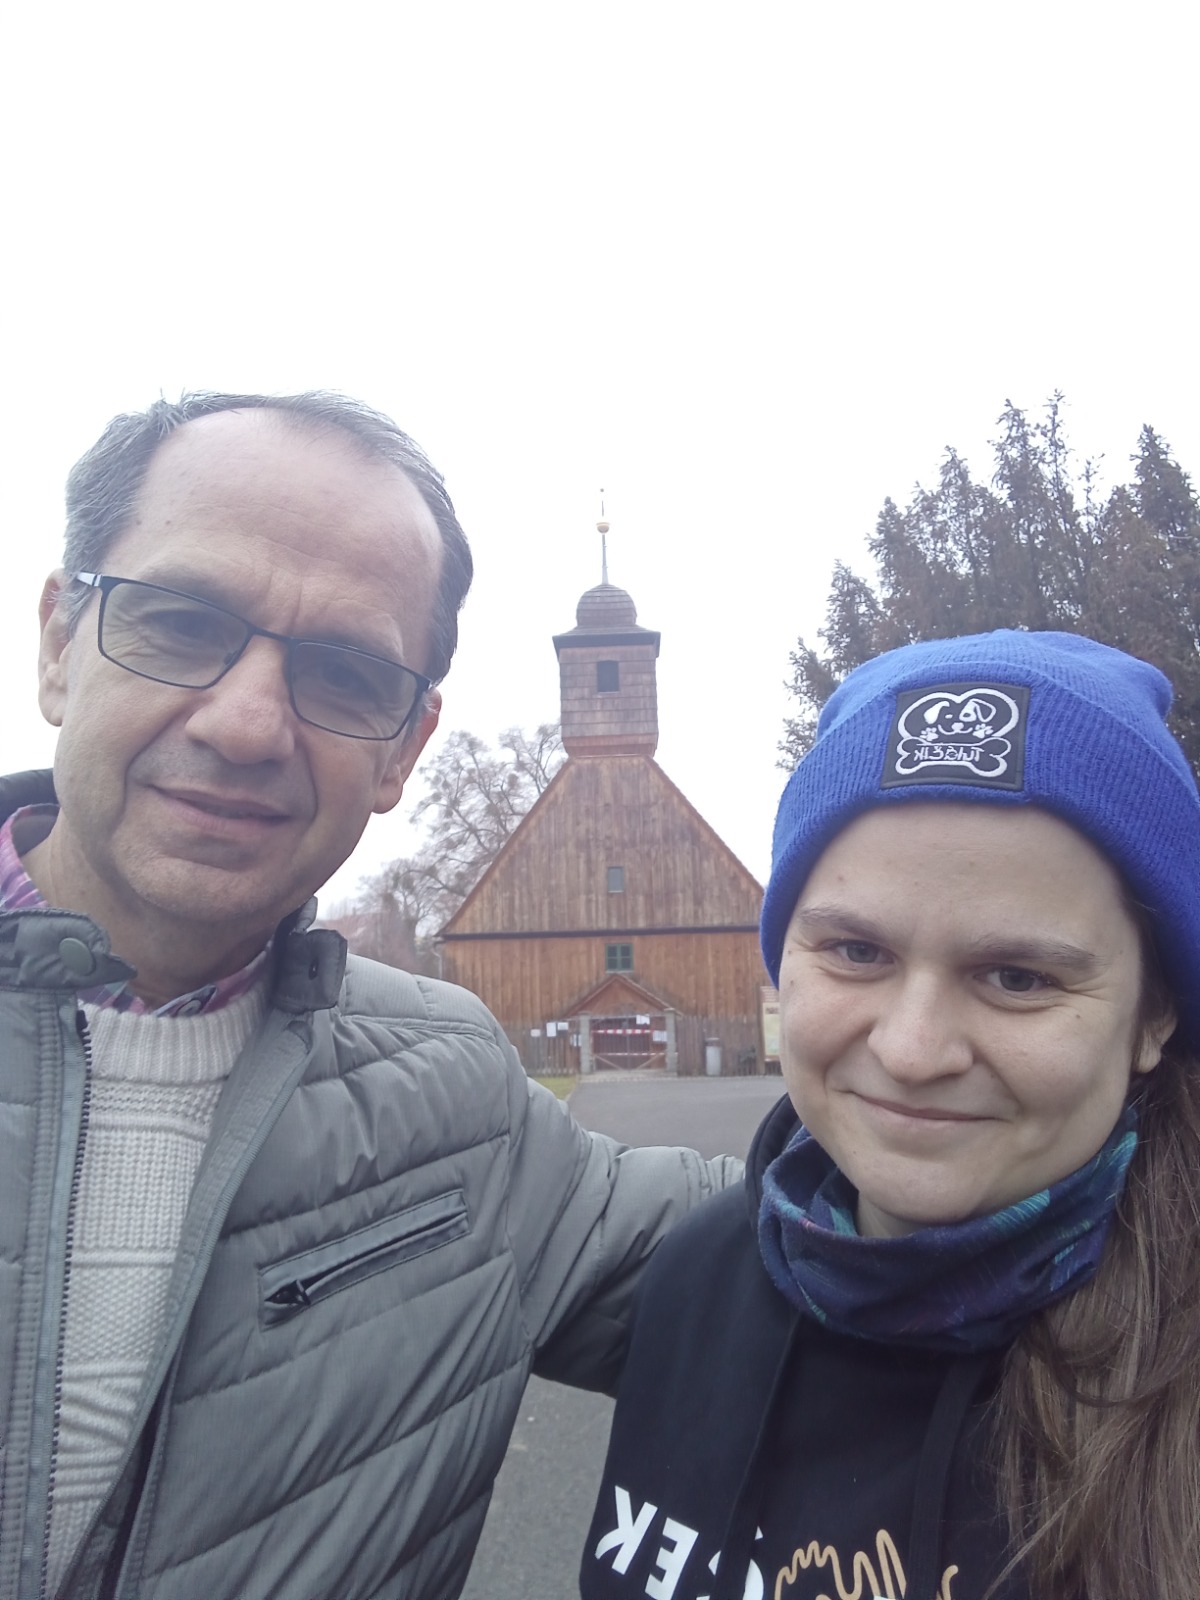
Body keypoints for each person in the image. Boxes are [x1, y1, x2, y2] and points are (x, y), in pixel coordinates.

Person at [0, 390, 740, 1600]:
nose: (248, 725)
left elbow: (807, 1248)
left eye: (344, 673)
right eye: (182, 622)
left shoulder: (456, 1104)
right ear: (55, 645)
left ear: (405, 748)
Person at [582, 629, 1200, 1600]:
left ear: (1153, 1014)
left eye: (1017, 975)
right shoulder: (699, 1280)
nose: (912, 1051)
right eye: (857, 951)